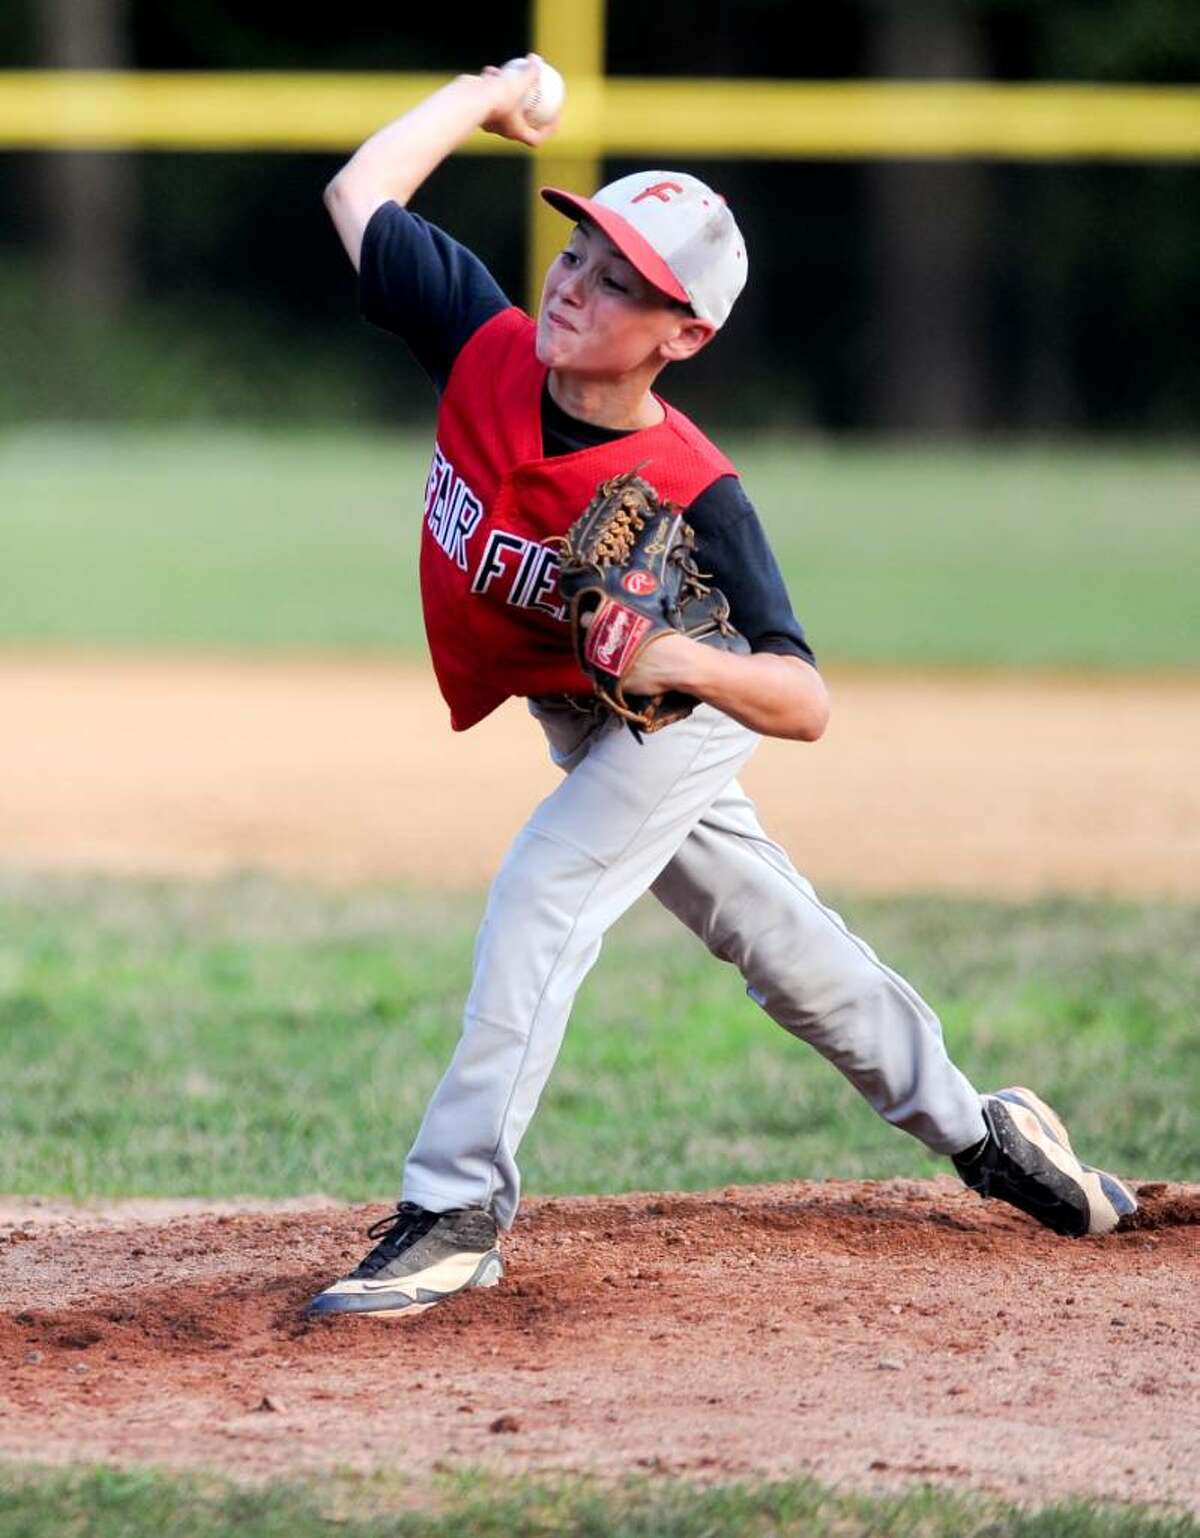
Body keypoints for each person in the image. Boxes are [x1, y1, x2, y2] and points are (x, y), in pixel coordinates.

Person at [307, 58, 1137, 1319]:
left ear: (685, 334)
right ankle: (987, 1131)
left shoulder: (699, 490)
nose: (577, 286)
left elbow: (803, 699)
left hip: (675, 720)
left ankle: (457, 1202)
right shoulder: (484, 341)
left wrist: (684, 657)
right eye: (581, 255)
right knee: (784, 949)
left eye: (624, 284)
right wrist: (486, 96)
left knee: (545, 892)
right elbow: (361, 189)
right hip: (583, 713)